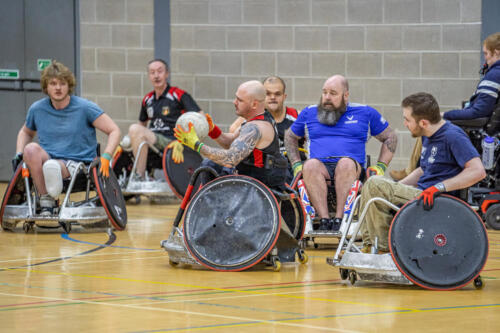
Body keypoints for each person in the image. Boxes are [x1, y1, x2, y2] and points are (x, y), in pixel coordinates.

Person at [360, 92, 486, 254]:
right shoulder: (428, 135)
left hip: (438, 200)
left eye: (407, 119)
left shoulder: (453, 136)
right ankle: (370, 244)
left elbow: (478, 171)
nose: (405, 124)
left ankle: (385, 250)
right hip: (421, 193)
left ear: (424, 123)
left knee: (374, 183)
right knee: (373, 185)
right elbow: (424, 169)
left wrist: (439, 187)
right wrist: (396, 187)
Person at [285, 75, 397, 232]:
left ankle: (340, 219)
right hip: (319, 170)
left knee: (344, 163)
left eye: (333, 93)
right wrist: (296, 164)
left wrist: (380, 167)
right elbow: (290, 136)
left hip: (351, 169)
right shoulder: (309, 113)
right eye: (324, 92)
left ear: (346, 95)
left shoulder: (365, 112)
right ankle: (324, 220)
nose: (327, 97)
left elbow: (390, 137)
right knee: (309, 165)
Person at [12, 61, 121, 215]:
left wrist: (107, 155)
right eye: (53, 83)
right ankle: (46, 200)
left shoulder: (84, 107)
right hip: (48, 161)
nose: (58, 88)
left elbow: (114, 130)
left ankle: (49, 197)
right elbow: (26, 132)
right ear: (46, 87)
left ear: (68, 85)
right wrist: (18, 153)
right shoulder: (37, 109)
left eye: (62, 83)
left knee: (52, 166)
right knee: (30, 150)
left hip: (79, 165)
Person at [390, 32, 500, 180]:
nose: (485, 57)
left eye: (486, 53)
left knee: (425, 123)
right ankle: (415, 171)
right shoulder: (493, 74)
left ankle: (412, 172)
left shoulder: (494, 75)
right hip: (480, 125)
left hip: (478, 127)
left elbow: (478, 112)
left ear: (497, 53)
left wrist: (446, 115)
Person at [174, 80, 287, 189]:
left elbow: (230, 159)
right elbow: (231, 142)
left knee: (208, 164)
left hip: (261, 181)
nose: (234, 102)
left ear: (254, 104)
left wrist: (197, 145)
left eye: (239, 100)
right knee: (209, 164)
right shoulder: (255, 119)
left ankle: (211, 205)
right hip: (252, 175)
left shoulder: (255, 127)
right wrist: (212, 130)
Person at [126, 59, 202, 179]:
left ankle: (139, 177)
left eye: (160, 71)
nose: (156, 75)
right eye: (152, 72)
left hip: (172, 141)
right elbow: (141, 125)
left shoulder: (179, 94)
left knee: (135, 129)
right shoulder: (147, 99)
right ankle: (142, 176)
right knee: (129, 137)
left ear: (167, 74)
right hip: (153, 139)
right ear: (149, 76)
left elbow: (200, 118)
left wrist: (186, 140)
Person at [228, 76, 302, 181]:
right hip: (267, 169)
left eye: (277, 94)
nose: (272, 97)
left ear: (284, 97)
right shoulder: (252, 116)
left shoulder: (297, 115)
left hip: (294, 166)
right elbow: (232, 131)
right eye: (268, 93)